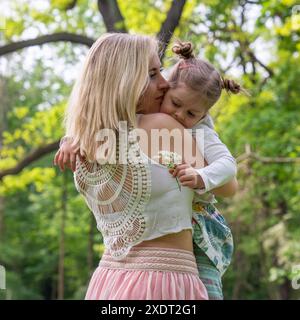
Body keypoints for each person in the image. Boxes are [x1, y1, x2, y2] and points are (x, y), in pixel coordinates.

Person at [54, 33, 237, 300]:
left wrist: (71, 139)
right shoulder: (164, 126)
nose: (164, 83)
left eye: (160, 70)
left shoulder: (85, 141)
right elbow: (229, 187)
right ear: (125, 80)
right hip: (165, 280)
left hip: (108, 281)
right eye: (152, 74)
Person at [158, 40, 245, 299]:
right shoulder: (143, 113)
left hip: (202, 228)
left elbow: (228, 165)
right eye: (175, 103)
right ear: (165, 88)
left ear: (204, 115)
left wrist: (201, 176)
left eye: (192, 113)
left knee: (206, 291)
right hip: (163, 236)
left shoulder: (200, 131)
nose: (179, 115)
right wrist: (71, 141)